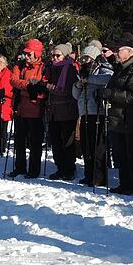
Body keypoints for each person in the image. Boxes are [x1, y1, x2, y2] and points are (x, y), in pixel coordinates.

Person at [101, 33, 133, 195]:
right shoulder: (121, 68)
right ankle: (124, 183)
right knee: (121, 155)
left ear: (130, 52)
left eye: (119, 50)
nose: (115, 53)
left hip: (132, 120)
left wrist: (111, 94)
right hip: (119, 119)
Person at [72, 45, 112, 186]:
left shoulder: (102, 69)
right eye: (82, 58)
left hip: (98, 112)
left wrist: (89, 79)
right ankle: (89, 174)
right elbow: (76, 95)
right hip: (85, 112)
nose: (84, 60)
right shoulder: (83, 72)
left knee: (98, 148)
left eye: (87, 57)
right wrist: (78, 85)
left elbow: (108, 78)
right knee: (86, 146)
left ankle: (99, 177)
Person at [8, 39, 46, 178]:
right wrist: (28, 85)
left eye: (29, 54)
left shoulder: (43, 67)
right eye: (26, 53)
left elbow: (41, 86)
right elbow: (13, 80)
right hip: (20, 108)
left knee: (35, 142)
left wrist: (26, 86)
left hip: (35, 109)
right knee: (19, 141)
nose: (27, 56)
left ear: (36, 53)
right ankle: (20, 167)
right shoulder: (20, 65)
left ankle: (34, 170)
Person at [44, 43, 79, 180]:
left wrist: (50, 88)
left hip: (67, 111)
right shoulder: (52, 69)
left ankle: (69, 169)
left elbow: (69, 91)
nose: (54, 58)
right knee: (55, 142)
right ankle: (60, 168)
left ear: (65, 56)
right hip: (54, 111)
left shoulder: (69, 69)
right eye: (53, 55)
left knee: (67, 142)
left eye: (57, 55)